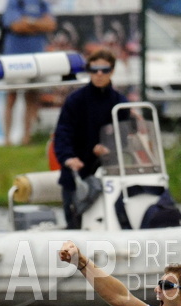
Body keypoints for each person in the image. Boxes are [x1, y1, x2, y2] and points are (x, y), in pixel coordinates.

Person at [53, 49, 128, 229]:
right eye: (95, 70)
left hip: (108, 173)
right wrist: (68, 158)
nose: (99, 74)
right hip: (77, 173)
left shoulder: (120, 103)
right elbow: (63, 133)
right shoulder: (75, 100)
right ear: (89, 72)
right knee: (75, 221)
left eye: (104, 69)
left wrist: (109, 148)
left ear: (112, 71)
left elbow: (124, 137)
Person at [2, 0, 56, 146]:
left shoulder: (42, 3)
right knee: (11, 96)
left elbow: (51, 25)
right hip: (15, 58)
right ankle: (7, 140)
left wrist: (30, 23)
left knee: (31, 97)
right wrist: (39, 24)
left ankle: (27, 138)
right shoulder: (15, 2)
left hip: (37, 57)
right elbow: (16, 26)